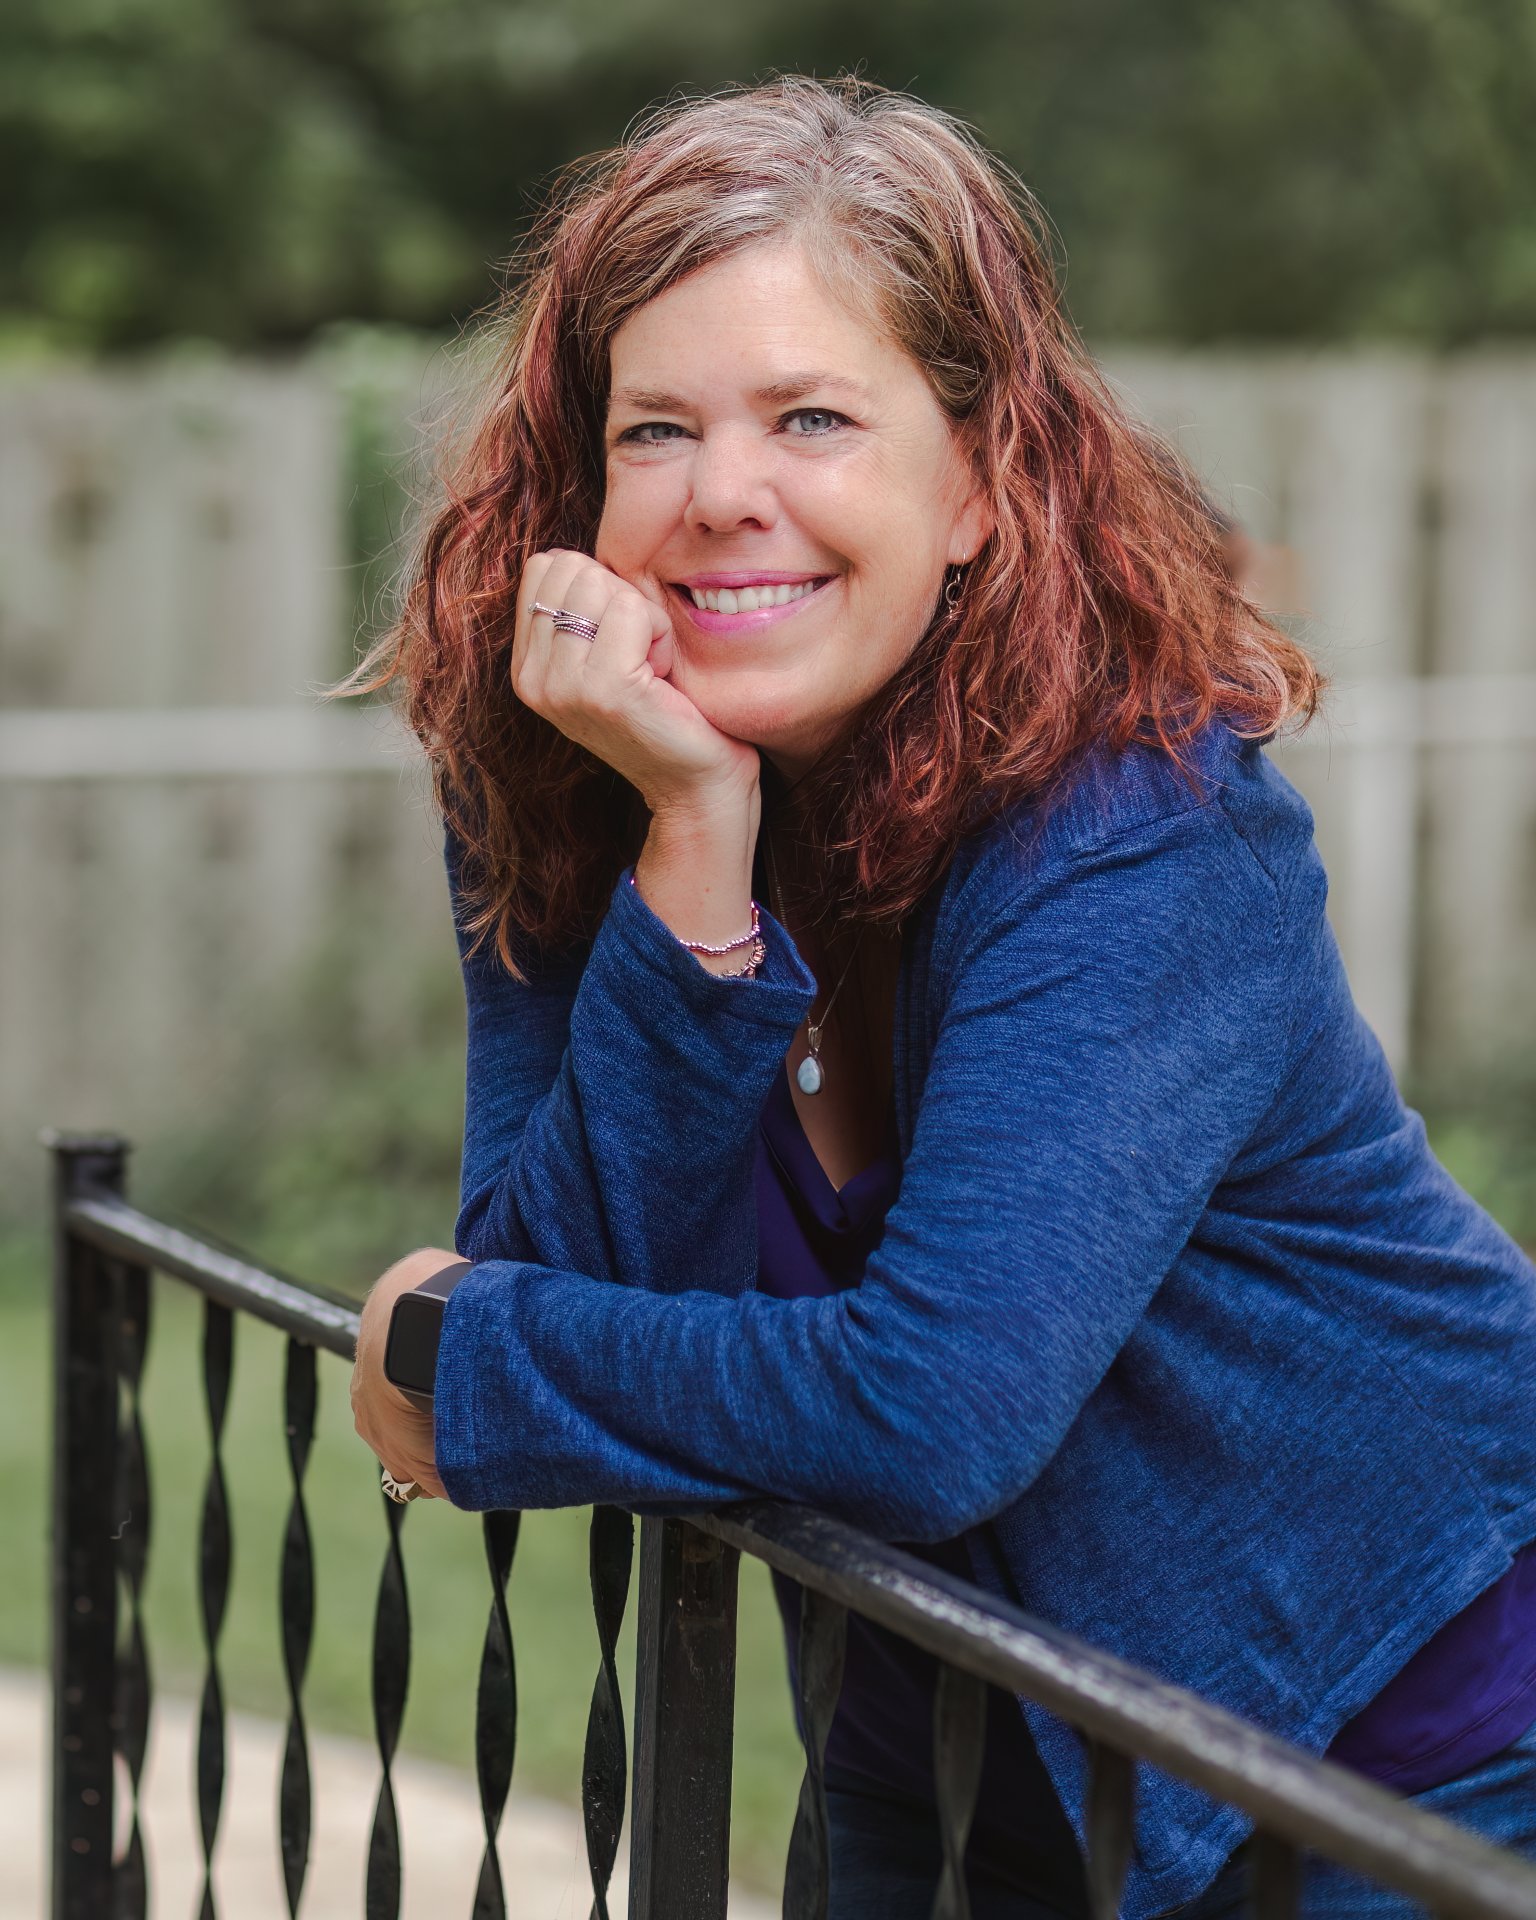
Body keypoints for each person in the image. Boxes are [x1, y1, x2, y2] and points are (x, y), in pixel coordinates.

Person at [346, 75, 1536, 1919]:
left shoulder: (1144, 822)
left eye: (812, 416)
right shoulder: (574, 778)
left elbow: (930, 1408)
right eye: (653, 428)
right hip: (956, 1718)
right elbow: (569, 1259)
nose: (721, 494)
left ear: (980, 481)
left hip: (1395, 1747)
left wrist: (465, 1362)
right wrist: (694, 846)